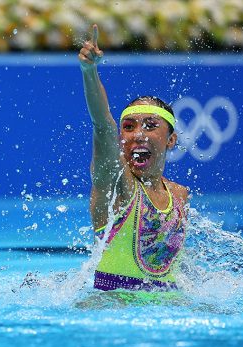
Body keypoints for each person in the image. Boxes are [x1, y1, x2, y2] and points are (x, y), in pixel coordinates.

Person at [78, 25, 188, 292]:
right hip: (111, 307)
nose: (138, 134)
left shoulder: (180, 195)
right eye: (128, 127)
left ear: (171, 139)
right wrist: (90, 72)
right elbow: (102, 125)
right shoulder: (117, 185)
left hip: (167, 307)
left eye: (150, 125)